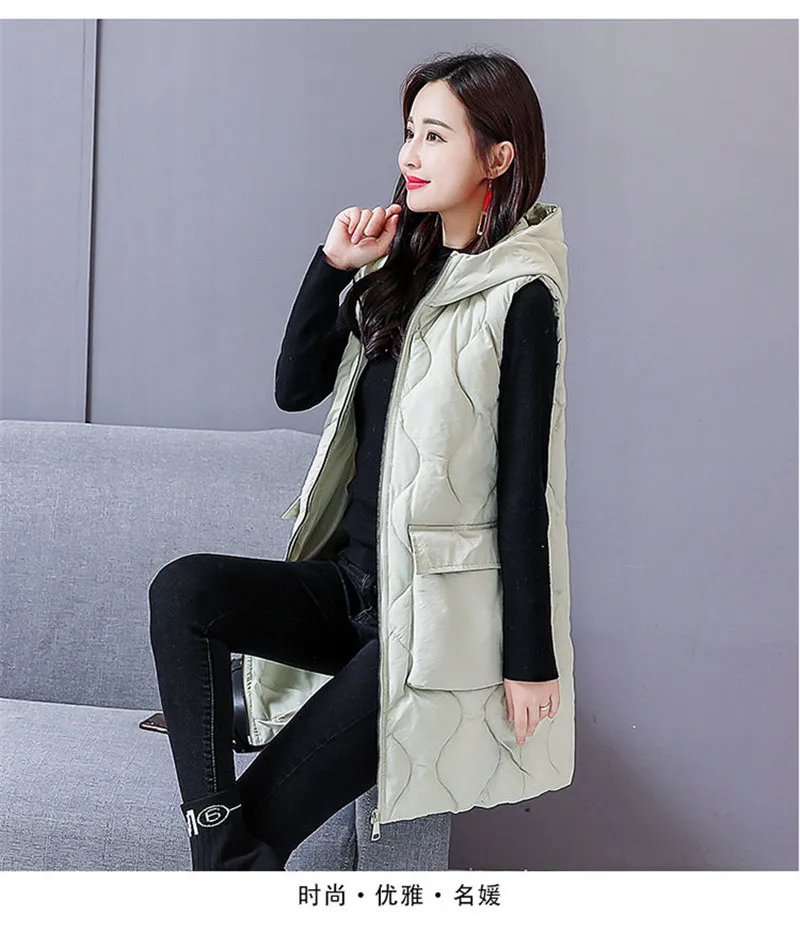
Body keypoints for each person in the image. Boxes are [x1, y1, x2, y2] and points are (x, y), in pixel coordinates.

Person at [148, 48, 572, 873]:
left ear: (497, 157)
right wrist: (332, 266)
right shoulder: (400, 270)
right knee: (184, 589)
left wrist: (530, 663)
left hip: (430, 627)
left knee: (250, 842)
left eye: (436, 135)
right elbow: (293, 388)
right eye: (409, 132)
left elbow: (526, 492)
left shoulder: (520, 295)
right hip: (349, 589)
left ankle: (222, 859)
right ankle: (214, 830)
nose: (411, 154)